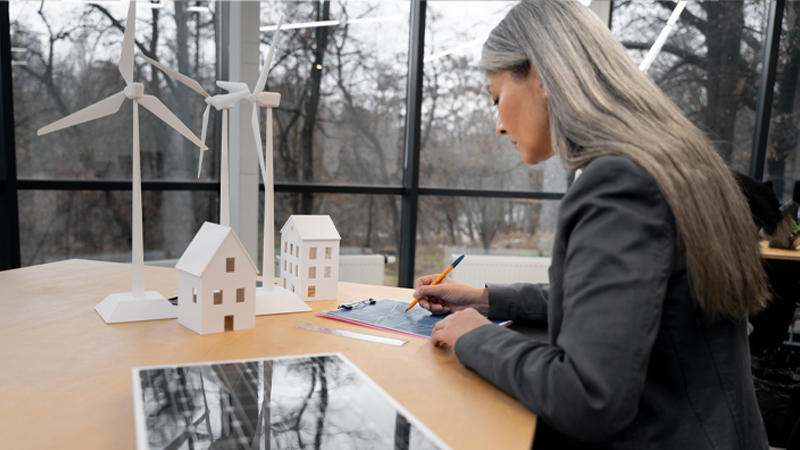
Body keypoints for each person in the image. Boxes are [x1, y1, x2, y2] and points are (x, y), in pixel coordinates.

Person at [413, 2, 770, 448]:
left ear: (541, 75)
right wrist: (485, 299)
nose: (499, 125)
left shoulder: (618, 183)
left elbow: (589, 398)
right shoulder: (669, 161)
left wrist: (478, 339)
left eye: (496, 97)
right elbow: (622, 306)